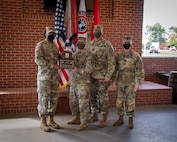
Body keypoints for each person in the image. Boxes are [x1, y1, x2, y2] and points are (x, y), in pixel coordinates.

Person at [112, 36, 145, 129]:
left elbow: (140, 70)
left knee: (130, 102)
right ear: (122, 43)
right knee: (119, 102)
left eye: (128, 42)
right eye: (125, 42)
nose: (126, 44)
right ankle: (120, 118)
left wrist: (138, 83)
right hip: (120, 82)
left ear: (131, 43)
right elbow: (115, 69)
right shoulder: (118, 55)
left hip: (131, 83)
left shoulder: (136, 56)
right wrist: (114, 80)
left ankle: (130, 120)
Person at [87, 25, 116, 128]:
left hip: (103, 76)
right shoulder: (90, 44)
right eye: (95, 30)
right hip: (91, 76)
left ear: (102, 32)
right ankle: (94, 114)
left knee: (103, 97)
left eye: (99, 30)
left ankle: (104, 117)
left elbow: (112, 62)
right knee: (92, 96)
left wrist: (109, 76)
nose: (97, 32)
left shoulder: (107, 44)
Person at [34, 26, 60, 132]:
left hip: (54, 77)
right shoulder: (40, 45)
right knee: (43, 99)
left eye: (53, 33)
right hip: (44, 77)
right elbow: (38, 60)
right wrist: (51, 65)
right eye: (50, 33)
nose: (52, 35)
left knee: (54, 98)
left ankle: (51, 120)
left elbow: (56, 57)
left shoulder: (55, 45)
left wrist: (62, 57)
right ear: (45, 33)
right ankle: (43, 121)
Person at [66, 37, 93, 131]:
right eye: (79, 42)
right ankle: (76, 118)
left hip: (83, 82)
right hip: (74, 82)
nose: (80, 43)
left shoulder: (89, 55)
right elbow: (69, 63)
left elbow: (89, 69)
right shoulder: (75, 54)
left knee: (83, 103)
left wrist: (76, 70)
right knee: (73, 102)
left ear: (85, 43)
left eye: (82, 42)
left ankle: (84, 121)